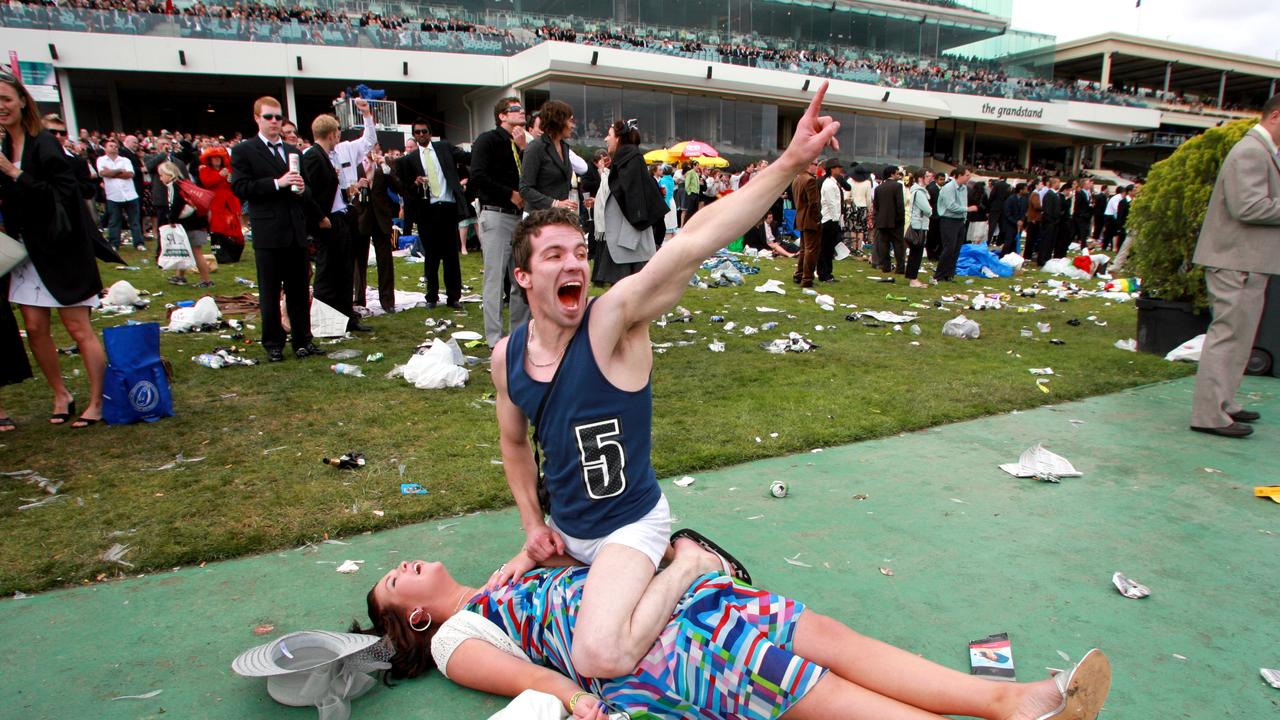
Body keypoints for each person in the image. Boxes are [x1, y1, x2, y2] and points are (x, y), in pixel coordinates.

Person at [486, 83, 844, 681]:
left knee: (599, 656)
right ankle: (573, 558)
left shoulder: (611, 321)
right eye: (554, 257)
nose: (574, 264)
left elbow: (694, 242)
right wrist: (532, 528)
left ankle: (690, 562)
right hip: (569, 535)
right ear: (523, 276)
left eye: (579, 252)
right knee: (485, 611)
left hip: (632, 524)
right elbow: (514, 443)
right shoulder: (506, 356)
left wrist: (788, 163)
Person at [359, 550, 1113, 720]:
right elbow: (534, 679)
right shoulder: (457, 637)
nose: (405, 564)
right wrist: (571, 698)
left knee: (827, 636)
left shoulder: (498, 580)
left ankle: (1010, 699)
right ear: (414, 620)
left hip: (683, 600)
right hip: (655, 655)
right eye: (396, 579)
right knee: (805, 685)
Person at [0, 71, 108, 428]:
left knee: (77, 326)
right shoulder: (4, 146)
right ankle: (60, 393)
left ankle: (97, 400)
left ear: (21, 102)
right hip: (25, 249)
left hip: (61, 248)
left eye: (6, 99)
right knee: (33, 326)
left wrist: (15, 175)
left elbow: (66, 194)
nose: (1, 107)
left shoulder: (42, 143)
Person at [1188, 94, 1280, 438]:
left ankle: (1223, 402)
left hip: (1247, 260)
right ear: (1275, 116)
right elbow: (1249, 207)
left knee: (1241, 337)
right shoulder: (1251, 151)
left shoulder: (1262, 151)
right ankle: (1209, 413)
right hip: (1234, 260)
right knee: (1227, 335)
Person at [230, 95, 319, 363]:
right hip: (268, 230)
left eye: (277, 117)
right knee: (269, 291)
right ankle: (273, 342)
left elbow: (305, 188)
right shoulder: (245, 150)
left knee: (299, 291)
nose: (273, 122)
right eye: (268, 117)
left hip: (295, 229)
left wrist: (302, 189)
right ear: (257, 118)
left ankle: (303, 339)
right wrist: (276, 183)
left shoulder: (293, 152)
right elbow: (241, 187)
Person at [302, 112, 371, 334]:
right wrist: (320, 218)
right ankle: (325, 321)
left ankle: (346, 317)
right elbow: (307, 192)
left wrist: (346, 191)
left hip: (341, 216)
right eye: (338, 133)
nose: (338, 138)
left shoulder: (327, 156)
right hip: (327, 221)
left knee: (344, 271)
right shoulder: (313, 157)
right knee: (327, 271)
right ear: (332, 134)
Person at [470, 96, 529, 346]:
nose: (522, 112)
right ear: (502, 116)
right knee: (494, 280)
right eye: (515, 109)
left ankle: (518, 335)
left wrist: (524, 148)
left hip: (518, 218)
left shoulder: (521, 143)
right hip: (496, 214)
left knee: (520, 279)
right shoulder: (488, 140)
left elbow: (528, 176)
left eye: (522, 108)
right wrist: (509, 193)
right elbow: (478, 176)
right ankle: (495, 339)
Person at [397, 117, 471, 309]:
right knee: (430, 255)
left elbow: (466, 158)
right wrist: (415, 183)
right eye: (417, 132)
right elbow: (404, 188)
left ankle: (453, 297)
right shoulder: (408, 160)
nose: (421, 135)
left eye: (424, 131)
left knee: (450, 255)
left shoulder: (444, 148)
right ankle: (431, 296)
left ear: (430, 133)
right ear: (413, 135)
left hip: (447, 206)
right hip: (426, 210)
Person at [594, 119, 665, 285]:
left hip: (629, 243)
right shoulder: (626, 159)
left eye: (609, 135)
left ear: (618, 138)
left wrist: (629, 241)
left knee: (629, 296)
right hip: (625, 241)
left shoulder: (631, 160)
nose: (606, 139)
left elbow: (637, 204)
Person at [354, 146, 401, 315]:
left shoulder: (384, 167)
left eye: (375, 147)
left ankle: (387, 300)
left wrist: (386, 168)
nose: (372, 150)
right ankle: (359, 299)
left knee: (385, 261)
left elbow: (398, 187)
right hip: (361, 216)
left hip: (381, 217)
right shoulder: (355, 163)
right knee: (359, 261)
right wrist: (356, 186)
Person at [156, 161, 213, 287]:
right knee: (184, 249)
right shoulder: (184, 183)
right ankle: (179, 276)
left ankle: (206, 280)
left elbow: (177, 204)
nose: (160, 178)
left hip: (191, 223)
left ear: (168, 174)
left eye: (161, 175)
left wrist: (171, 219)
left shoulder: (175, 185)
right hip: (197, 221)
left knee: (195, 251)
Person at [197, 146, 245, 263]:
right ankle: (221, 253)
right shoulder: (205, 170)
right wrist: (219, 176)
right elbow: (206, 182)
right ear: (210, 159)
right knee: (217, 227)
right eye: (214, 158)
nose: (217, 160)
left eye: (219, 157)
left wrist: (229, 178)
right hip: (215, 202)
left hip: (230, 202)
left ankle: (233, 252)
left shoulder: (229, 170)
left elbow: (233, 183)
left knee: (233, 226)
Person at [97, 138, 146, 252]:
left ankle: (138, 243)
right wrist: (119, 170)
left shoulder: (125, 160)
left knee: (134, 220)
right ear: (105, 148)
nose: (114, 148)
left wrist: (112, 172)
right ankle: (114, 243)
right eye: (111, 146)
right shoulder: (101, 160)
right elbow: (102, 173)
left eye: (115, 146)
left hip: (130, 194)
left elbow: (129, 174)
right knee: (114, 221)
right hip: (113, 196)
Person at [791, 156, 822, 288]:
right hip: (809, 219)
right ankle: (807, 278)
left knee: (804, 249)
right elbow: (813, 203)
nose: (817, 167)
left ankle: (799, 274)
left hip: (800, 217)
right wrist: (818, 218)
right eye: (816, 164)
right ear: (809, 165)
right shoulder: (810, 180)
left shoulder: (797, 179)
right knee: (811, 250)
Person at [873, 164, 905, 275]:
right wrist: (901, 218)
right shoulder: (897, 186)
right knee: (898, 245)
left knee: (883, 245)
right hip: (895, 221)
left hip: (882, 221)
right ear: (892, 174)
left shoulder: (879, 188)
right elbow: (899, 204)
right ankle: (900, 267)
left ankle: (885, 266)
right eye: (897, 173)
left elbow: (876, 205)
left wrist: (877, 219)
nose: (898, 175)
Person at [817, 157, 844, 283]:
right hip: (829, 220)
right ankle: (824, 273)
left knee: (829, 248)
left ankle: (828, 272)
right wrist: (836, 220)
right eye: (838, 167)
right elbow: (832, 203)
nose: (840, 169)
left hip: (832, 219)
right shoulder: (828, 184)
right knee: (825, 248)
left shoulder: (832, 182)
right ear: (832, 169)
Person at [905, 169, 931, 288]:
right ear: (921, 177)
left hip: (918, 224)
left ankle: (913, 277)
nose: (930, 179)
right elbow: (927, 210)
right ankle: (913, 279)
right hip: (919, 226)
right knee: (916, 253)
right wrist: (930, 210)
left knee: (915, 253)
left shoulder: (919, 191)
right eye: (928, 176)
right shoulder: (920, 192)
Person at [1000, 183, 1028, 257]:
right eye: (1025, 189)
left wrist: (1022, 220)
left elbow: (1024, 212)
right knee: (1008, 242)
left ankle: (1013, 257)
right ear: (1020, 190)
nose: (1027, 191)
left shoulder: (1024, 200)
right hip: (1010, 224)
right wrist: (1016, 221)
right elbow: (1007, 213)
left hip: (1019, 224)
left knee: (1015, 243)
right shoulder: (1011, 199)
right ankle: (1003, 256)